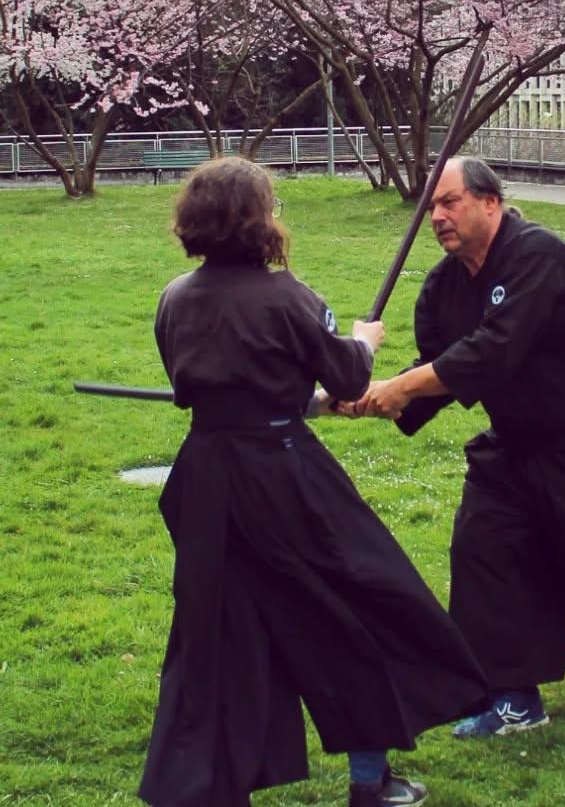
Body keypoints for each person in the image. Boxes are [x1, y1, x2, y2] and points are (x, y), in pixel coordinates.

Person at [137, 156, 487, 807]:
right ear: (256, 222)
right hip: (282, 473)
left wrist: (297, 394)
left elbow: (201, 389)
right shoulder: (289, 296)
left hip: (207, 477)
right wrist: (364, 340)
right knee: (360, 607)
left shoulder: (175, 298)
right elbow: (349, 378)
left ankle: (204, 788)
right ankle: (369, 782)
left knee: (215, 632)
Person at [353, 156, 565, 738]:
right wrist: (371, 395)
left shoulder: (539, 254)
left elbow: (495, 349)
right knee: (484, 545)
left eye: (450, 201)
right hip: (521, 444)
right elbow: (439, 371)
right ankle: (512, 696)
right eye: (431, 207)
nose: (438, 216)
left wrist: (404, 386)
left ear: (490, 202)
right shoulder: (441, 287)